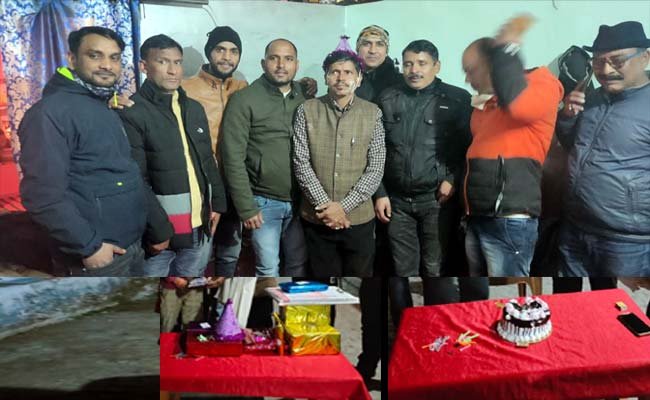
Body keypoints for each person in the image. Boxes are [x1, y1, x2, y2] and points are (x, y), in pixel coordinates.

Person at [18, 26, 146, 276]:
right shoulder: (49, 113)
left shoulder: (103, 103)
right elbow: (42, 194)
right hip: (97, 254)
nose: (106, 65)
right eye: (95, 55)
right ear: (72, 59)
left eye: (114, 57)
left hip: (128, 245)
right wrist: (88, 246)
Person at [461, 15, 564, 276]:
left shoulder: (540, 83)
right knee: (482, 289)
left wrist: (506, 48)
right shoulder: (487, 103)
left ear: (491, 64)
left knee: (509, 292)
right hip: (479, 215)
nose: (467, 79)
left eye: (471, 70)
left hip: (509, 219)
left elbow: (519, 107)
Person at [118, 34, 226, 276]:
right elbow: (136, 179)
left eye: (177, 62)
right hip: (160, 234)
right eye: (163, 62)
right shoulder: (132, 113)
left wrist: (217, 203)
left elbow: (207, 160)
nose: (172, 70)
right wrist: (157, 229)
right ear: (144, 66)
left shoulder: (194, 108)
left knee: (189, 289)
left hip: (199, 225)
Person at [556, 21, 650, 276]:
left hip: (627, 241)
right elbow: (574, 146)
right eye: (598, 62)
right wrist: (567, 117)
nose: (606, 70)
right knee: (573, 296)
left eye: (617, 61)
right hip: (575, 226)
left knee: (619, 298)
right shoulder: (592, 98)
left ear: (645, 57)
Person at [376, 39, 472, 277]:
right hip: (397, 202)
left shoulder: (457, 99)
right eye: (408, 64)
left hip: (436, 201)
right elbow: (375, 150)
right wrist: (380, 193)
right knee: (402, 270)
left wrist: (452, 178)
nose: (414, 70)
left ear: (436, 66)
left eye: (422, 63)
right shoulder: (387, 98)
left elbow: (467, 147)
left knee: (434, 268)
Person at [293, 38, 385, 277]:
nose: (341, 78)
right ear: (326, 77)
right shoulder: (307, 110)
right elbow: (301, 162)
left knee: (358, 281)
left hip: (359, 219)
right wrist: (327, 207)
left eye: (348, 72)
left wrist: (342, 208)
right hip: (317, 218)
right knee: (321, 284)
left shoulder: (372, 113)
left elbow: (376, 167)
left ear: (359, 78)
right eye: (334, 72)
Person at [220, 39, 309, 277]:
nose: (281, 65)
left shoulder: (304, 98)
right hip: (263, 202)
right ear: (263, 63)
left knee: (298, 267)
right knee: (268, 269)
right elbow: (232, 157)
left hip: (302, 203)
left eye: (288, 59)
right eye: (274, 58)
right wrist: (246, 207)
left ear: (297, 64)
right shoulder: (244, 99)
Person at [182, 26, 248, 277]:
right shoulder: (186, 89)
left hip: (233, 181)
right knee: (198, 254)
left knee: (230, 252)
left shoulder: (242, 88)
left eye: (234, 51)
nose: (227, 57)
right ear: (210, 52)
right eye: (220, 49)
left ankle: (224, 292)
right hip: (202, 185)